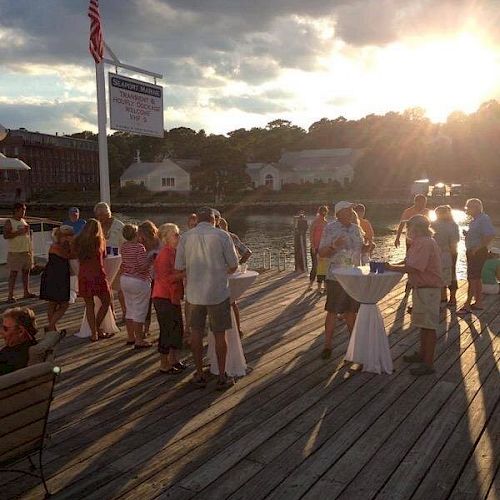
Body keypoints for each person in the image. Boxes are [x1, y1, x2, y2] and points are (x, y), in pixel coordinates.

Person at [175, 206, 239, 390]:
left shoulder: (186, 237)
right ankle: (221, 375)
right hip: (217, 292)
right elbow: (234, 265)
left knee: (196, 333)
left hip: (194, 293)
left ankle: (200, 373)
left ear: (198, 219)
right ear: (214, 220)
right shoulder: (222, 236)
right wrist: (219, 271)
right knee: (220, 334)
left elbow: (179, 266)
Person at [386, 215, 443, 376]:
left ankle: (428, 363)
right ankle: (423, 355)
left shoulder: (424, 243)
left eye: (408, 228)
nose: (406, 231)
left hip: (428, 289)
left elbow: (416, 267)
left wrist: (391, 268)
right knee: (423, 324)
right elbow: (408, 262)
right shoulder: (423, 241)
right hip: (422, 289)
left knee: (428, 326)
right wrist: (391, 265)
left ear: (416, 228)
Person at [318, 201, 365, 360]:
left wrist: (367, 248)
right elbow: (322, 253)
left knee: (351, 311)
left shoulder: (357, 229)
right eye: (348, 210)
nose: (352, 212)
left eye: (352, 209)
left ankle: (354, 345)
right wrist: (334, 245)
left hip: (353, 276)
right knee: (332, 311)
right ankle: (327, 345)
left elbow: (361, 250)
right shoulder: (330, 228)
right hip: (336, 277)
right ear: (339, 213)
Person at [153, 223, 185, 373]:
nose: (179, 237)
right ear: (166, 238)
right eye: (175, 234)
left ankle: (174, 359)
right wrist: (184, 273)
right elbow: (165, 278)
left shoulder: (174, 252)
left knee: (177, 329)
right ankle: (164, 364)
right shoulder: (164, 254)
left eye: (178, 234)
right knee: (166, 329)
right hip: (163, 296)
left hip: (173, 296)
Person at [74, 219, 112, 342]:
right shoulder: (99, 241)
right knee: (106, 301)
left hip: (84, 275)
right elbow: (104, 255)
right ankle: (97, 327)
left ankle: (94, 333)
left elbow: (74, 255)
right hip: (97, 274)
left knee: (89, 305)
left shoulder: (78, 241)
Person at [458, 198, 496, 315]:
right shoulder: (476, 219)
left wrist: (477, 248)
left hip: (477, 252)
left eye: (468, 207)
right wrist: (468, 234)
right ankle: (478, 303)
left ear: (476, 207)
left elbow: (489, 235)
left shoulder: (483, 219)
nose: (467, 210)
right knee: (477, 277)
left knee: (472, 278)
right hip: (473, 251)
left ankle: (467, 305)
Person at [120, 224, 153, 348]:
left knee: (130, 309)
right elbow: (142, 266)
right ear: (136, 234)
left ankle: (130, 337)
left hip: (125, 279)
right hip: (138, 281)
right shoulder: (139, 247)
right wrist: (150, 261)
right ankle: (139, 340)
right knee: (139, 310)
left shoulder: (124, 247)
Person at [218, 217, 252, 336]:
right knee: (232, 301)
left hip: (221, 273)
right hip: (233, 271)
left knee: (219, 301)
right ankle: (237, 329)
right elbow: (247, 252)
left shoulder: (217, 238)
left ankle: (221, 328)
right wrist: (239, 264)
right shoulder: (232, 237)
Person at [94, 202, 126, 321]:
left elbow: (125, 245)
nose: (99, 218)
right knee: (107, 291)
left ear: (107, 214)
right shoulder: (97, 226)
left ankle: (125, 312)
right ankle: (111, 314)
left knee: (121, 289)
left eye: (100, 216)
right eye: (98, 216)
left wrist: (124, 263)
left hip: (118, 262)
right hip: (103, 263)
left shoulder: (119, 226)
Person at [39, 225, 74, 331]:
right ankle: (51, 326)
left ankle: (52, 327)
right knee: (63, 304)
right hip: (57, 277)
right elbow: (69, 256)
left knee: (52, 303)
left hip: (54, 275)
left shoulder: (58, 245)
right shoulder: (59, 246)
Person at [3, 203, 36, 303]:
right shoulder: (10, 221)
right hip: (15, 251)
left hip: (26, 250)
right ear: (16, 210)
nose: (24, 212)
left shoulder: (23, 220)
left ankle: (26, 292)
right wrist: (19, 232)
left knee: (26, 272)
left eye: (24, 210)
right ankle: (10, 295)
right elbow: (6, 235)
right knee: (14, 273)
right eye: (22, 210)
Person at [431, 205, 460, 305]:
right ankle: (452, 298)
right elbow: (454, 243)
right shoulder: (453, 225)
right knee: (452, 275)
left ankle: (443, 297)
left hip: (437, 254)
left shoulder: (433, 224)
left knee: (439, 275)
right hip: (448, 253)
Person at [138, 221, 161, 335]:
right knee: (146, 304)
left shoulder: (159, 243)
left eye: (142, 234)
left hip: (159, 277)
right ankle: (145, 329)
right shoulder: (142, 244)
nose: (140, 237)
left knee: (158, 304)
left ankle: (161, 329)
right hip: (147, 277)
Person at [0, 307, 38, 375]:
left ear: (21, 331)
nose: (1, 332)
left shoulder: (13, 358)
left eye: (5, 329)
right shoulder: (31, 345)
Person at [308, 206, 329, 292]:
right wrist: (313, 246)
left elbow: (328, 236)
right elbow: (311, 235)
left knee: (323, 267)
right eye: (322, 212)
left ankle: (323, 286)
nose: (323, 214)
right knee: (315, 266)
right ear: (319, 212)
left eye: (325, 212)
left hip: (323, 248)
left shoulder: (326, 223)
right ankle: (310, 284)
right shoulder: (315, 222)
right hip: (315, 247)